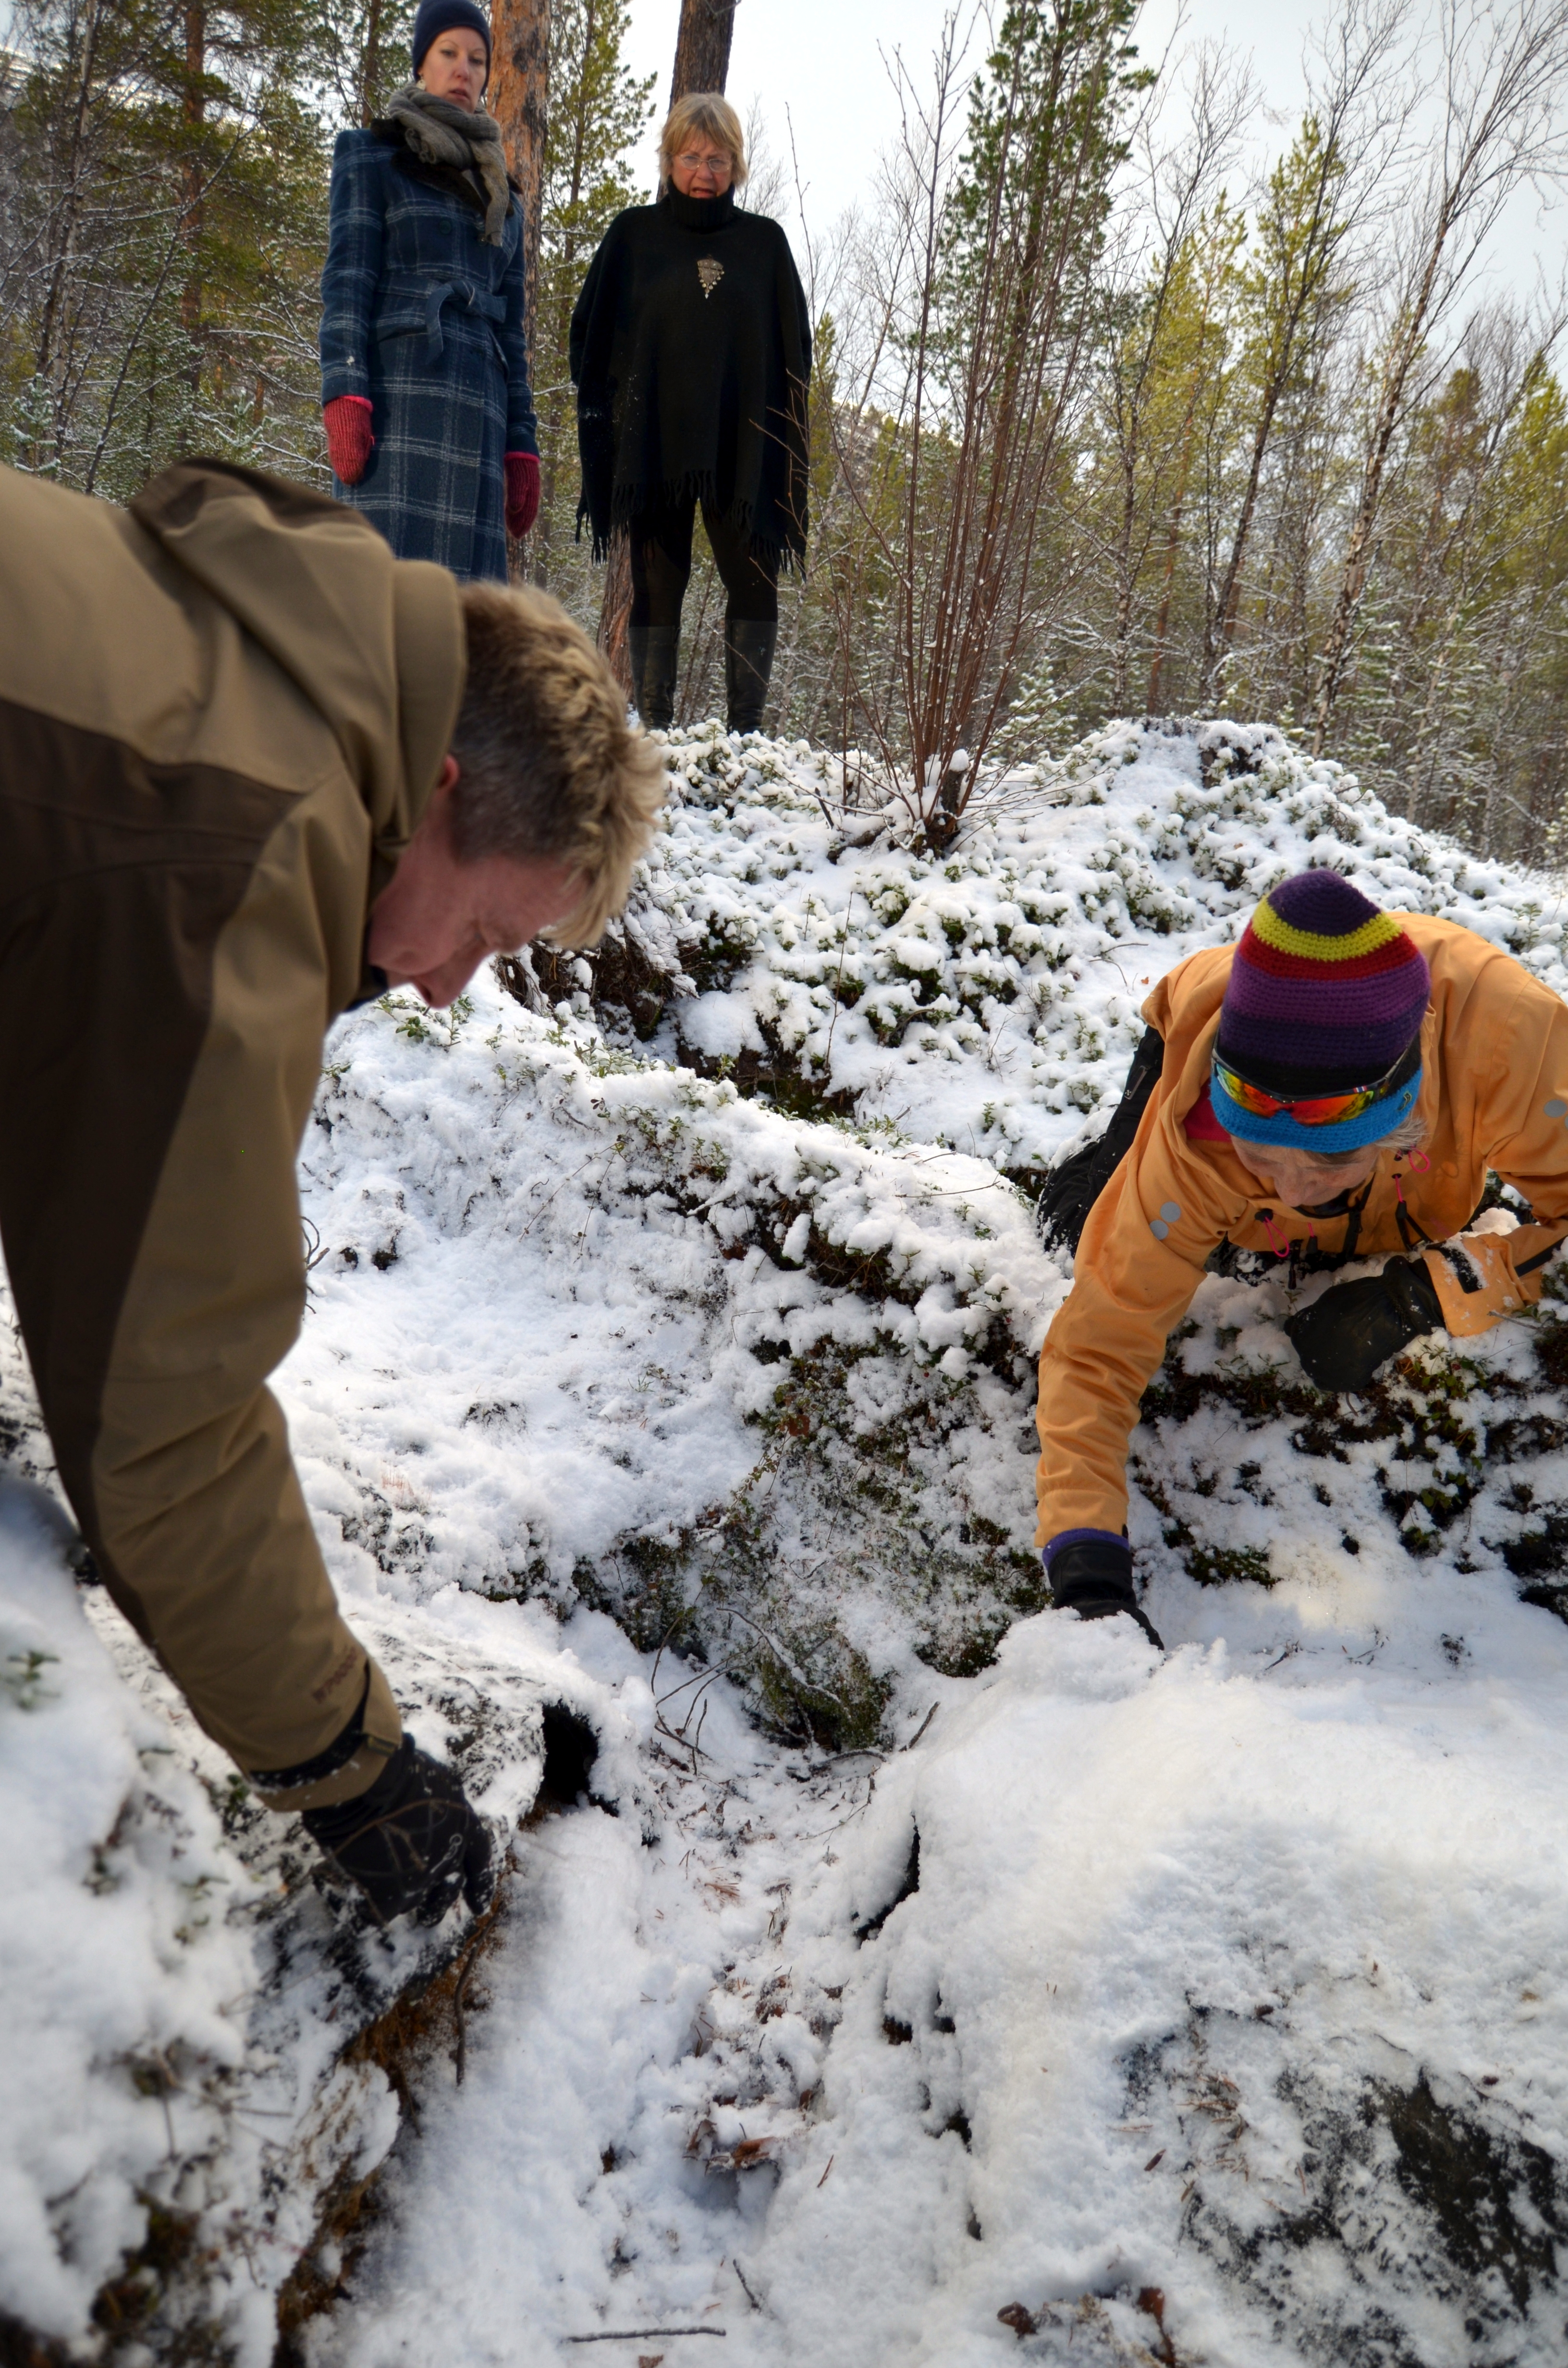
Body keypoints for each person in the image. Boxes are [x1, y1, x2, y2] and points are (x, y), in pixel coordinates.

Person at [0, 457, 664, 1923]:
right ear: (436, 789)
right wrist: (352, 1767)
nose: (441, 985)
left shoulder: (241, 641)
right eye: (482, 929)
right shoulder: (244, 831)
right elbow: (160, 1414)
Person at [1035, 871, 1568, 1643]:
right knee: (1092, 1216)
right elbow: (1098, 1344)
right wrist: (1088, 1571)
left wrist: (1422, 1294)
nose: (1289, 1185)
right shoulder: (1199, 1142)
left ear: (1401, 1121)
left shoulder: (1511, 1043)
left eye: (1323, 1165)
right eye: (1261, 1158)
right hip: (1196, 1023)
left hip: (1435, 1128)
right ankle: (1100, 1171)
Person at [570, 92, 812, 736]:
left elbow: (795, 355)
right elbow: (589, 336)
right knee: (655, 586)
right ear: (669, 160)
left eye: (719, 157)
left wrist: (780, 445)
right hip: (653, 447)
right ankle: (655, 731)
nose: (705, 172)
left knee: (756, 579)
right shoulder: (632, 237)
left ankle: (745, 741)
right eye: (691, 156)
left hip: (743, 446)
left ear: (737, 164)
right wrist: (615, 420)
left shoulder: (765, 246)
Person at [319, 0, 540, 582]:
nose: (464, 70)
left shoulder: (504, 198)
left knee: (470, 629)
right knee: (382, 606)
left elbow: (512, 334)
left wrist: (523, 444)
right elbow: (347, 283)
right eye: (449, 53)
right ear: (423, 63)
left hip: (482, 419)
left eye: (477, 59)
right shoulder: (372, 157)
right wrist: (345, 392)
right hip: (399, 410)